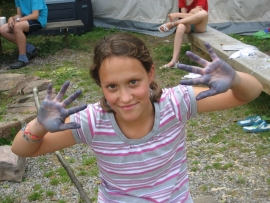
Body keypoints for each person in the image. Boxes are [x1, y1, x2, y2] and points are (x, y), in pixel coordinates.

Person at [11, 33, 262, 202]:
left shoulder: (176, 104)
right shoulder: (90, 122)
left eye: (133, 82)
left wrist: (236, 80)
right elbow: (23, 149)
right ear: (100, 85)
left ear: (150, 73)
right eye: (112, 87)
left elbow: (248, 94)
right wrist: (39, 125)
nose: (125, 97)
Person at [158, 0, 208, 69]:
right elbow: (187, 17)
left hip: (199, 25)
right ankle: (174, 61)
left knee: (203, 13)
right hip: (188, 24)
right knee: (181, 26)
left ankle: (173, 24)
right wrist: (191, 12)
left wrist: (177, 14)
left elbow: (199, 14)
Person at [0, 0, 48, 69]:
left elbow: (35, 15)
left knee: (17, 26)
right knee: (2, 30)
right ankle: (29, 48)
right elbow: (19, 14)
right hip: (25, 20)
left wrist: (18, 20)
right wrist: (12, 18)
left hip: (39, 20)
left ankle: (23, 58)